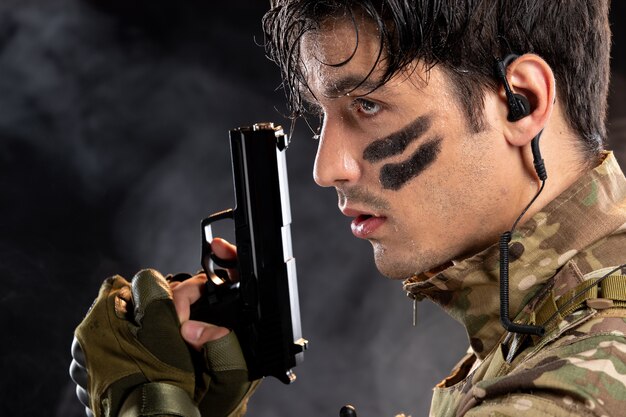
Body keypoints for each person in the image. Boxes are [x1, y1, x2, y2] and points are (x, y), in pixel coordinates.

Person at [70, 1, 626, 416]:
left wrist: (150, 405)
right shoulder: (535, 329)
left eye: (368, 104)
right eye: (322, 113)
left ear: (520, 99)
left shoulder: (578, 380)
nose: (326, 167)